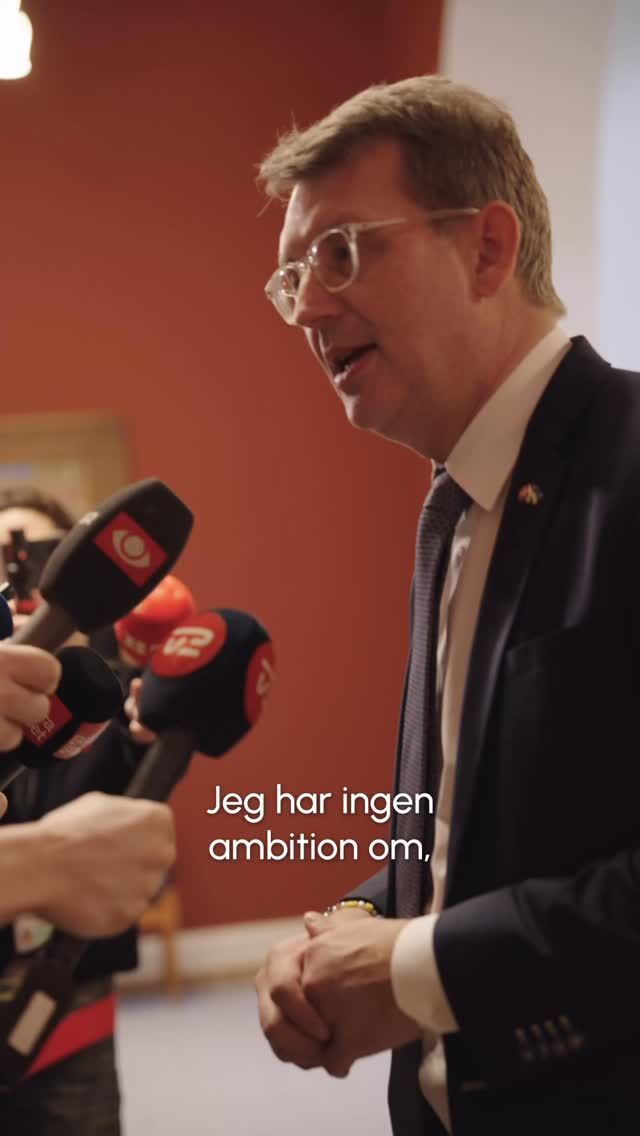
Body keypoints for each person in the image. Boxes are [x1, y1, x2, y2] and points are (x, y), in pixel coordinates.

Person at [254, 75, 640, 1136]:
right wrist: (344, 929)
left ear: (486, 249)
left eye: (341, 253)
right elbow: (472, 841)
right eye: (292, 277)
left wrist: (418, 969)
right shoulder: (453, 509)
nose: (309, 309)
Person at [0, 487, 161, 1134]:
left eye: (37, 553)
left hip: (72, 984)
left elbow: (131, 811)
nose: (20, 572)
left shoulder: (108, 683)